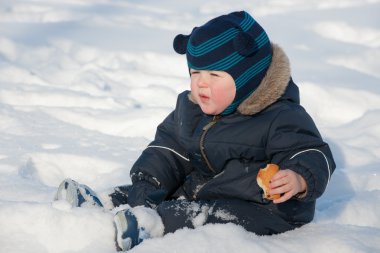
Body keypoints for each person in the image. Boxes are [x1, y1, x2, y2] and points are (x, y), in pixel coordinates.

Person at [55, 10, 336, 251]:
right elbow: (167, 149)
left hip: (264, 209)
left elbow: (311, 151)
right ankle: (101, 204)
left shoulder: (280, 115)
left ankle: (149, 225)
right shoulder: (190, 108)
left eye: (214, 75)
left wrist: (299, 178)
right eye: (195, 73)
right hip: (202, 189)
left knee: (198, 214)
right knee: (150, 192)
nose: (201, 84)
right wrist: (147, 182)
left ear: (249, 78)